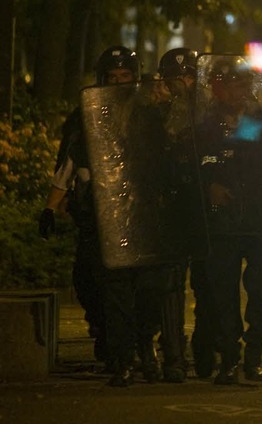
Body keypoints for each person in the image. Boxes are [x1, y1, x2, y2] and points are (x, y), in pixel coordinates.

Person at [38, 45, 141, 369]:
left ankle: (126, 344)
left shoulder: (144, 113)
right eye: (112, 76)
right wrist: (50, 208)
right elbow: (68, 165)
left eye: (125, 76)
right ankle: (104, 329)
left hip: (133, 214)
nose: (118, 82)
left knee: (131, 284)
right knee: (87, 279)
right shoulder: (85, 117)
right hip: (95, 213)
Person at [193, 57, 262, 385]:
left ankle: (254, 353)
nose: (236, 91)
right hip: (223, 219)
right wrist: (210, 184)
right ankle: (229, 356)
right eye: (229, 84)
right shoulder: (205, 125)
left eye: (241, 84)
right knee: (221, 291)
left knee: (261, 289)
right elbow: (200, 159)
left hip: (258, 217)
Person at [153, 47, 202, 382]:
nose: (183, 83)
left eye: (188, 76)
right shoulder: (154, 112)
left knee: (209, 280)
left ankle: (207, 347)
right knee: (170, 281)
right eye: (176, 78)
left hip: (203, 202)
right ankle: (173, 353)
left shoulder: (210, 109)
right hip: (169, 202)